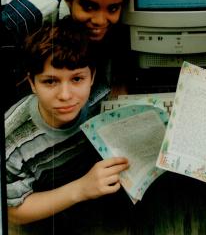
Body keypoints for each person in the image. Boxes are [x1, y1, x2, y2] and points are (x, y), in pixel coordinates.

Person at [5, 18, 129, 231]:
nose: (65, 96)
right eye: (50, 81)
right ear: (32, 83)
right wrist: (81, 189)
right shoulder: (11, 142)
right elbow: (13, 212)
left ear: (92, 78)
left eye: (77, 79)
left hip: (94, 185)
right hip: (46, 207)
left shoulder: (102, 97)